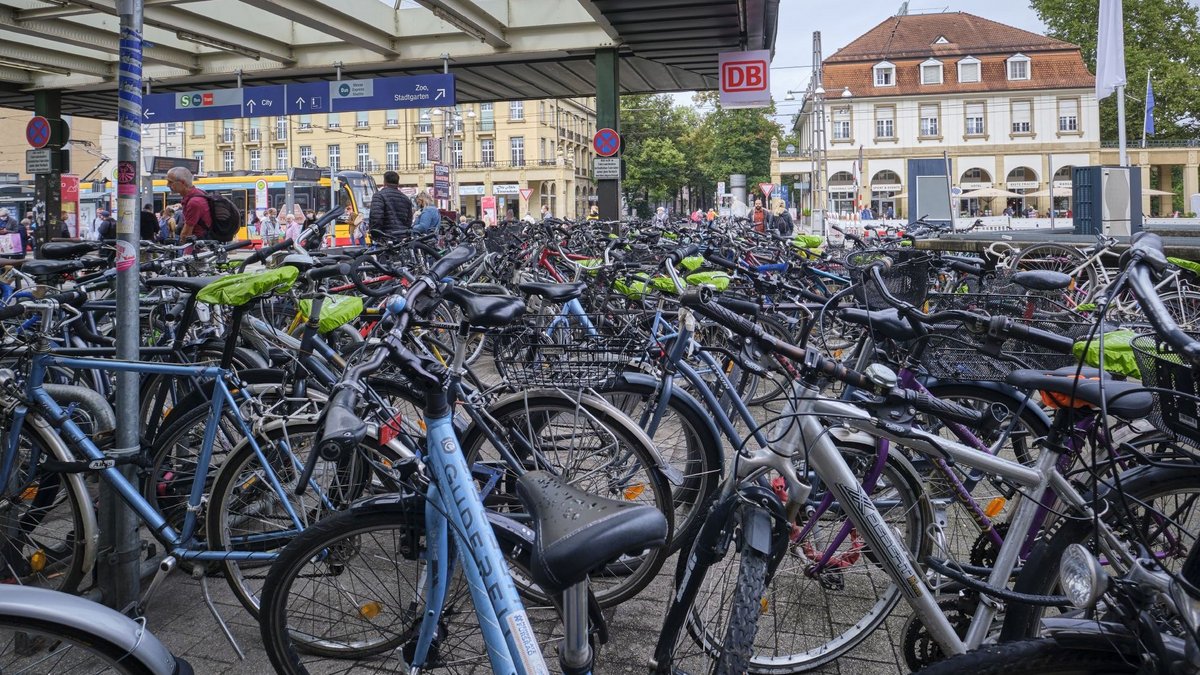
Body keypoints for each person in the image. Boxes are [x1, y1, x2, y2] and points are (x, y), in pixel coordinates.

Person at [166, 167, 211, 240]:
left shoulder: (194, 202)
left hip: (197, 245)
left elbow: (186, 235)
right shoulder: (199, 193)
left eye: (170, 182)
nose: (167, 185)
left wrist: (181, 245)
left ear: (182, 182)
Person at [368, 170, 415, 240]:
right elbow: (409, 221)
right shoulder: (406, 199)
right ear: (398, 183)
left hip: (386, 239)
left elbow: (376, 217)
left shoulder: (379, 196)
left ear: (384, 182)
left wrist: (375, 234)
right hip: (402, 239)